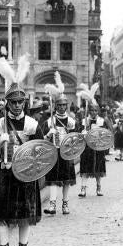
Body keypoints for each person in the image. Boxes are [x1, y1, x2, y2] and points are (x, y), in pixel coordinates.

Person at [0, 55, 42, 246]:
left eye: (21, 102)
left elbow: (41, 152)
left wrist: (30, 157)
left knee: (24, 214)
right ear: (7, 103)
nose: (18, 105)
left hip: (26, 174)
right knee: (2, 214)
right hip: (5, 172)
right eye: (14, 102)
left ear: (25, 102)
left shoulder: (31, 124)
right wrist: (0, 143)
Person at [42, 76, 77, 215]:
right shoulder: (49, 121)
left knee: (66, 180)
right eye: (59, 105)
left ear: (66, 106)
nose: (62, 107)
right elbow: (42, 140)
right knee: (52, 180)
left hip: (66, 152)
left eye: (64, 105)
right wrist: (49, 135)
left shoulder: (72, 121)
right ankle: (52, 205)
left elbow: (76, 140)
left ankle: (65, 204)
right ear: (56, 106)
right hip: (53, 152)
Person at [78, 104, 108, 197]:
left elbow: (106, 134)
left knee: (98, 168)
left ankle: (99, 187)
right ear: (89, 111)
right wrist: (82, 133)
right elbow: (79, 133)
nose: (94, 112)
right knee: (85, 168)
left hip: (98, 147)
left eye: (95, 110)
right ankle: (83, 188)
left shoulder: (101, 121)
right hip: (87, 147)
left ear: (98, 111)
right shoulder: (84, 121)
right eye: (92, 110)